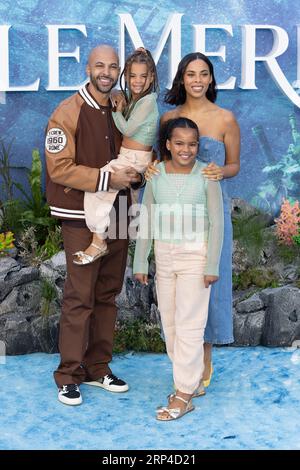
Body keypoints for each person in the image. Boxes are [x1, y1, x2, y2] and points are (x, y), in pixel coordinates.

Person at [45, 44, 143, 405]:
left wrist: (135, 177)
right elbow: (59, 168)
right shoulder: (67, 112)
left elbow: (136, 150)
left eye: (113, 66)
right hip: (79, 215)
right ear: (87, 67)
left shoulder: (121, 108)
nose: (106, 71)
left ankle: (98, 367)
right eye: (100, 65)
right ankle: (69, 374)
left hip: (120, 212)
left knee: (108, 294)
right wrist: (107, 182)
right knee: (79, 295)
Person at [146, 52, 240, 386]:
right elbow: (159, 161)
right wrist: (151, 168)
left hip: (211, 212)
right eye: (190, 74)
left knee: (208, 284)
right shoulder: (168, 118)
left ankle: (204, 363)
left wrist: (220, 170)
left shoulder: (226, 119)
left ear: (211, 79)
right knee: (178, 294)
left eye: (203, 74)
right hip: (175, 215)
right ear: (182, 80)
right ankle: (184, 365)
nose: (197, 80)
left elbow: (234, 165)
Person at [133, 117, 224, 420]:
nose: (186, 149)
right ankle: (192, 380)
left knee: (190, 324)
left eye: (193, 144)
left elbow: (217, 223)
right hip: (165, 257)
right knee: (170, 324)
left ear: (198, 146)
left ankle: (183, 393)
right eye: (180, 143)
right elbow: (146, 219)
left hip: (195, 259)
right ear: (168, 145)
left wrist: (211, 264)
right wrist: (140, 260)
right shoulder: (156, 175)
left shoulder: (207, 176)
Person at [73, 48, 159, 265]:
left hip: (134, 158)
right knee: (117, 194)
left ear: (151, 78)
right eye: (132, 76)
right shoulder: (136, 100)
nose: (137, 81)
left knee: (98, 187)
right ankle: (131, 232)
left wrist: (115, 111)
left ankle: (98, 241)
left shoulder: (148, 102)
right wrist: (120, 100)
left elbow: (128, 130)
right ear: (126, 76)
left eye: (143, 76)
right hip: (131, 156)